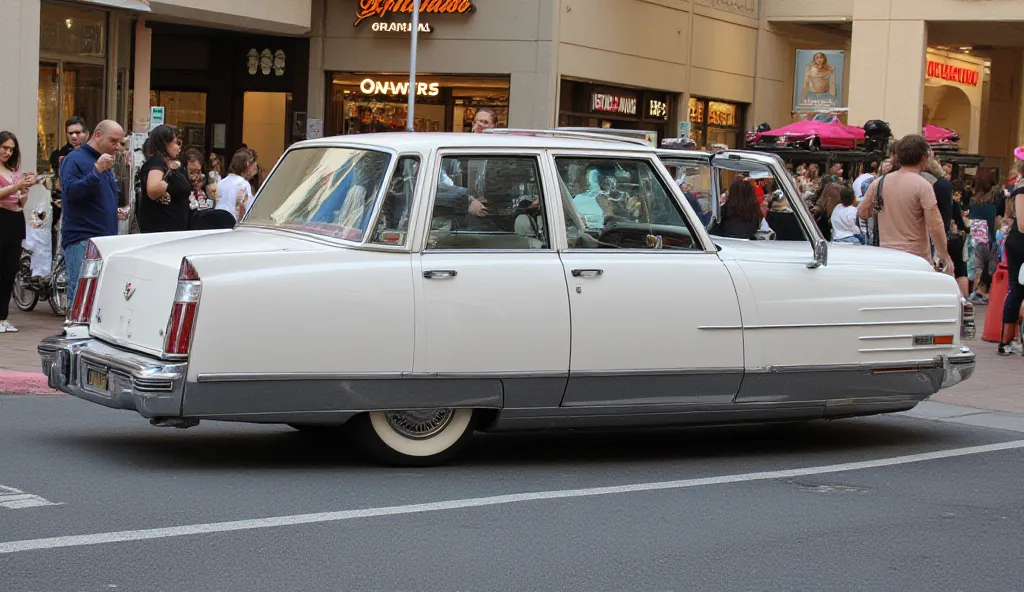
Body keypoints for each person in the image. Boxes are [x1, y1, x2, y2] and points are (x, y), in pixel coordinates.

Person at [858, 134, 953, 274]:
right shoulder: (923, 186)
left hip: (886, 255)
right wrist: (945, 256)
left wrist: (885, 208)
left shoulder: (880, 182)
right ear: (923, 158)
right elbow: (935, 225)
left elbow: (863, 212)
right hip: (915, 258)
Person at [60, 120, 127, 304]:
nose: (116, 147)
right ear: (98, 135)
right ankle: (74, 331)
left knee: (99, 298)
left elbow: (99, 196)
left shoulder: (104, 161)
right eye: (113, 141)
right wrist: (96, 171)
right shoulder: (74, 160)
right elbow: (70, 193)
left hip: (105, 239)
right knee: (81, 295)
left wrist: (114, 210)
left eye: (120, 142)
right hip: (82, 239)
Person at [0, 132, 39, 333]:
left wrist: (24, 191)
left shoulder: (13, 171)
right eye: (4, 147)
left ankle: (3, 317)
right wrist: (17, 186)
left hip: (15, 219)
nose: (7, 152)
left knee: (9, 270)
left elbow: (20, 202)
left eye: (11, 149)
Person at [137, 125, 191, 234]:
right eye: (177, 142)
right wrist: (168, 177)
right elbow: (153, 189)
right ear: (165, 143)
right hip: (162, 232)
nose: (179, 147)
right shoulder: (157, 162)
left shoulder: (172, 164)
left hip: (175, 230)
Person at [48, 116, 90, 257]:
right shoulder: (60, 155)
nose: (74, 136)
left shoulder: (93, 155)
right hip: (68, 209)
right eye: (70, 133)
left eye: (78, 133)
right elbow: (59, 184)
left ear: (87, 134)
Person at [997, 156, 1024, 355]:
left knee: (1019, 289)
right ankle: (1006, 341)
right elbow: (1022, 224)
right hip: (1020, 243)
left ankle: (1009, 341)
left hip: (1017, 242)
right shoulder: (1022, 189)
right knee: (1018, 288)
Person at [216, 148, 258, 222]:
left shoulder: (221, 182)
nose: (255, 172)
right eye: (254, 168)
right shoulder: (243, 184)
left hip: (219, 224)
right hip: (233, 225)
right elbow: (248, 210)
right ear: (247, 165)